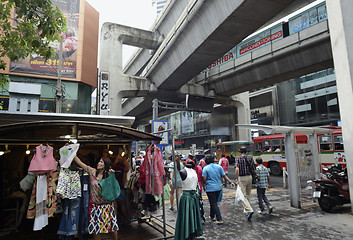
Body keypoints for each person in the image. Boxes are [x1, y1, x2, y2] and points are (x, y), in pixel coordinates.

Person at [73, 155, 118, 240]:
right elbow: (79, 163)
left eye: (101, 162)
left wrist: (112, 175)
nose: (98, 163)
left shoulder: (109, 174)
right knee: (95, 229)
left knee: (112, 227)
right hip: (96, 205)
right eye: (99, 161)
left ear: (106, 164)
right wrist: (71, 149)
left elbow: (114, 190)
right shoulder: (92, 172)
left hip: (107, 205)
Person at [174, 156, 203, 240]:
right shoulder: (183, 172)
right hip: (186, 198)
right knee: (186, 217)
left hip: (193, 197)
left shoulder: (194, 171)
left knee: (191, 216)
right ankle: (185, 235)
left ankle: (191, 234)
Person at [202, 154, 235, 224]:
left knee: (213, 203)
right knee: (213, 202)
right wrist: (230, 182)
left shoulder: (205, 168)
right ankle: (211, 216)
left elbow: (204, 178)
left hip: (210, 188)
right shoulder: (219, 167)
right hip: (218, 188)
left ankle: (219, 219)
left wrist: (204, 184)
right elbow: (224, 175)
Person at [235, 146, 257, 220]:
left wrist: (237, 178)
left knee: (243, 195)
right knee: (248, 194)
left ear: (240, 152)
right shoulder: (249, 158)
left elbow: (237, 169)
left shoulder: (238, 158)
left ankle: (250, 210)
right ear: (246, 151)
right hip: (249, 177)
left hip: (242, 177)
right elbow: (254, 169)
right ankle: (246, 210)